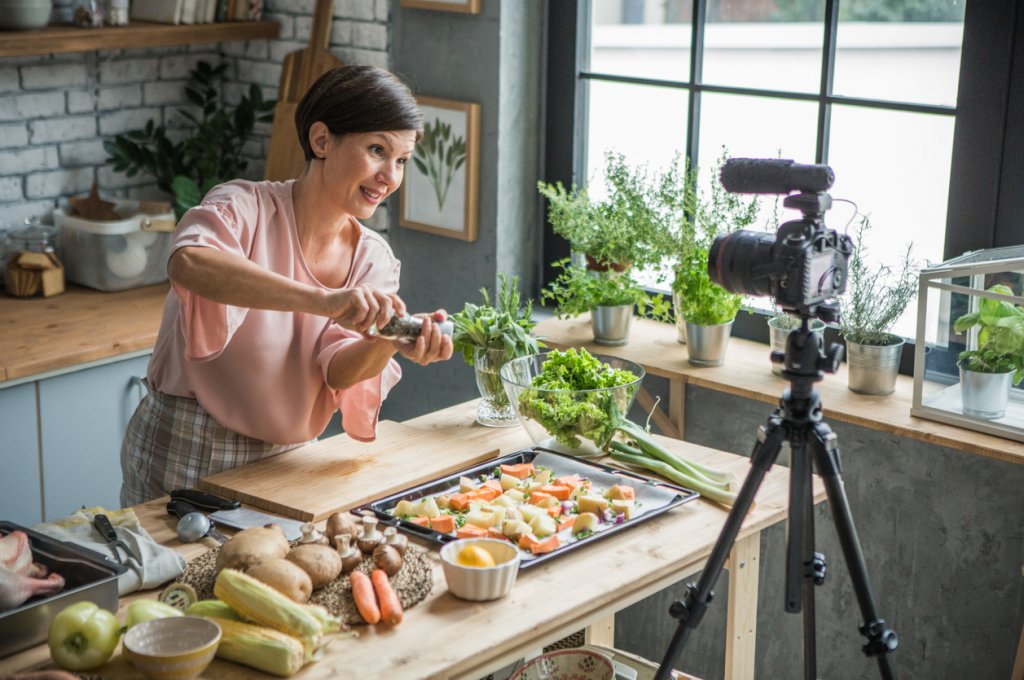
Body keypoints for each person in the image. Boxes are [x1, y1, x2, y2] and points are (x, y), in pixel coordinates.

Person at [120, 65, 452, 507]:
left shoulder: (374, 257)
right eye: (377, 149)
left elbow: (336, 370)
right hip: (189, 442)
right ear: (321, 140)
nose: (390, 176)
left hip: (291, 458)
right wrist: (324, 301)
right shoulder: (242, 206)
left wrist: (390, 341)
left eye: (402, 160)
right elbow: (190, 264)